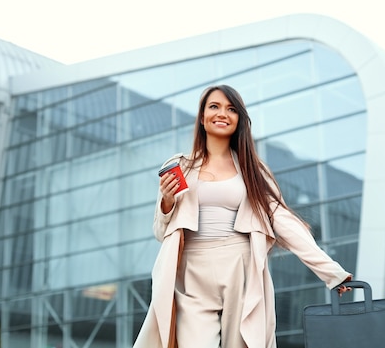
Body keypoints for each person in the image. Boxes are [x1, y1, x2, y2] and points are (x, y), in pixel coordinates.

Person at [133, 85, 353, 348]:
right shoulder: (181, 166)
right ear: (202, 117)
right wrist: (167, 202)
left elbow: (283, 221)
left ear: (239, 120)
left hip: (240, 266)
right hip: (191, 271)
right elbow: (161, 232)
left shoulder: (253, 169)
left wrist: (332, 273)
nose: (222, 113)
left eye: (231, 109)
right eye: (214, 106)